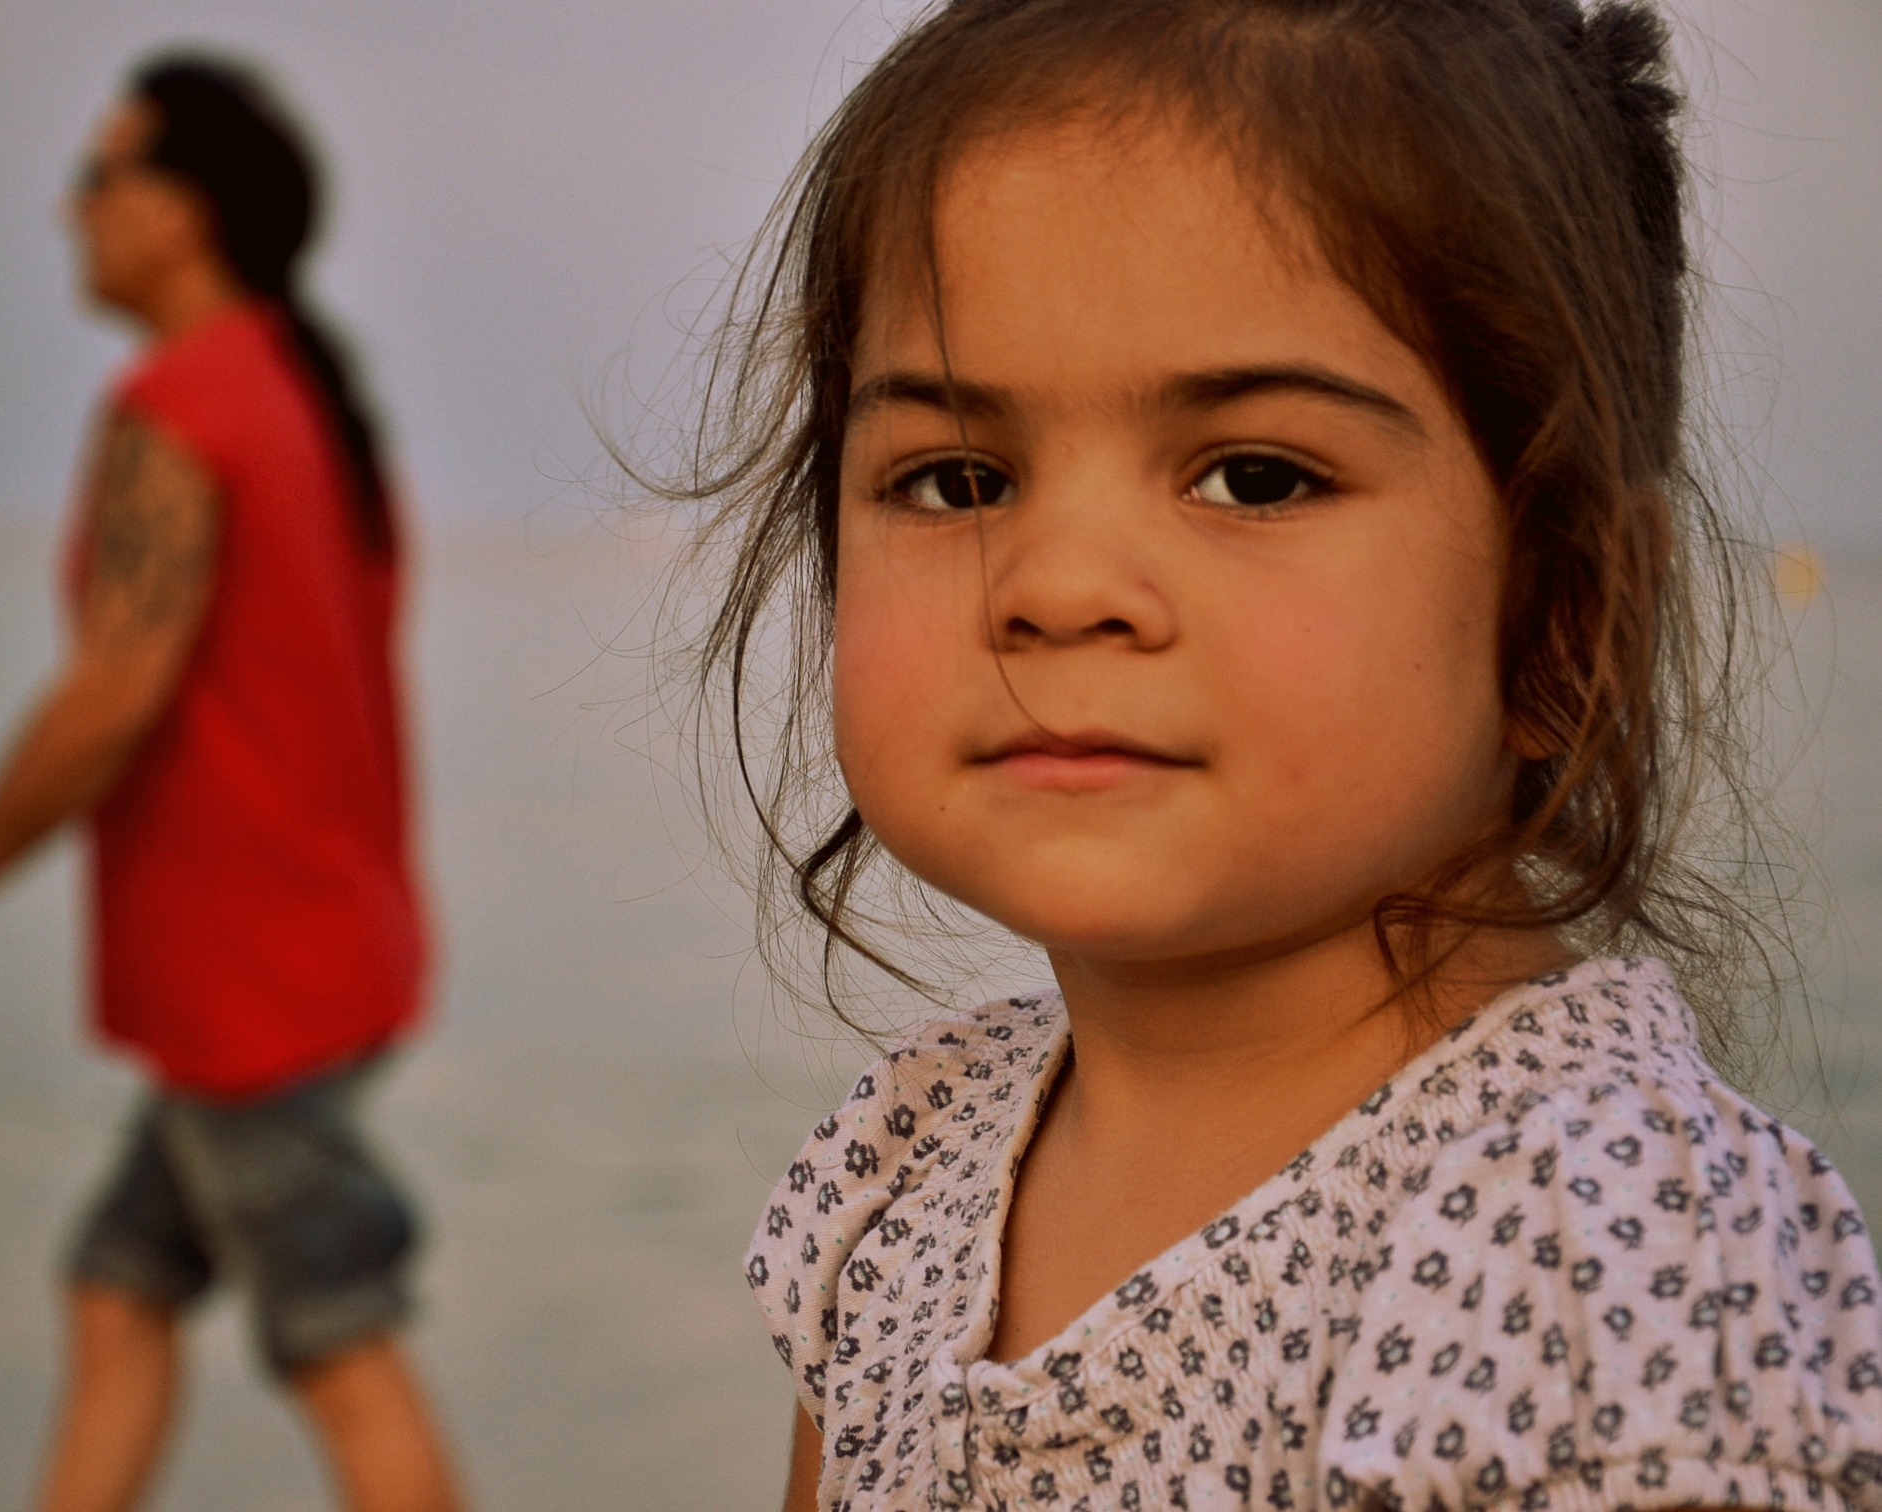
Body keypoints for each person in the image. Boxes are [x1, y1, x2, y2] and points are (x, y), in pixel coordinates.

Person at [650, 1, 1882, 1508]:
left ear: (1567, 611)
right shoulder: (910, 1168)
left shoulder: (1602, 1259)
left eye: (1255, 475)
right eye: (961, 478)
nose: (1057, 585)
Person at [0, 54, 464, 1512]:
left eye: (101, 174)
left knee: (341, 1357)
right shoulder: (300, 395)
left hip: (252, 991)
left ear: (182, 213)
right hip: (318, 957)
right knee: (117, 1290)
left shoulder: (184, 407)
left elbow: (113, 694)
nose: (70, 209)